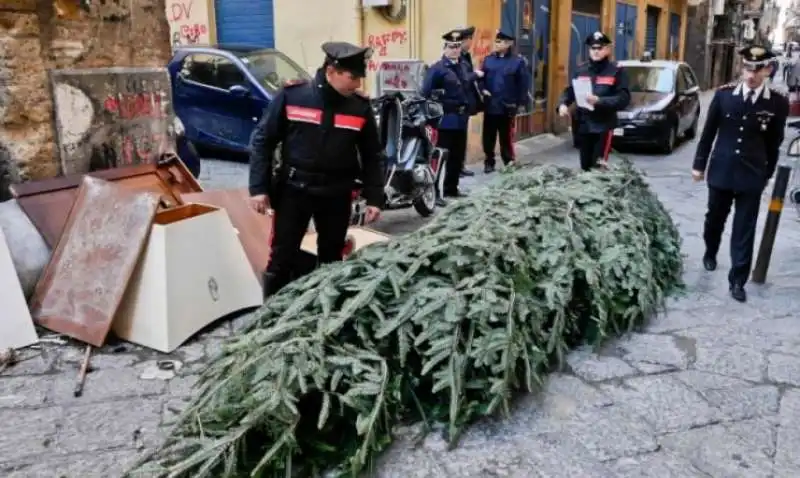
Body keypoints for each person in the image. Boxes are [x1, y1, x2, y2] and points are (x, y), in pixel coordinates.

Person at [249, 41, 385, 298]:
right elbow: (263, 141)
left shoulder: (359, 106)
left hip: (336, 194)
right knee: (282, 255)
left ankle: (324, 312)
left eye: (360, 77)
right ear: (331, 70)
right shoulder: (293, 96)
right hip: (294, 191)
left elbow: (372, 155)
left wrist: (375, 197)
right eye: (352, 77)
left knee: (332, 256)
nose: (357, 84)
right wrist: (258, 188)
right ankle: (270, 315)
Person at [692, 45, 789, 303]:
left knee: (744, 229)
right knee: (714, 219)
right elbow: (708, 134)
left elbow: (774, 143)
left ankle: (737, 280)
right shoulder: (724, 96)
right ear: (741, 67)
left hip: (751, 175)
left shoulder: (777, 103)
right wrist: (699, 165)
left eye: (758, 69)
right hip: (721, 171)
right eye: (747, 68)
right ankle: (710, 250)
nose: (751, 75)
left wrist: (765, 175)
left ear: (768, 69)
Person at [556, 31, 630, 171]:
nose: (596, 51)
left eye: (599, 48)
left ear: (607, 49)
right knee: (585, 166)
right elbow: (570, 91)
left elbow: (623, 99)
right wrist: (563, 104)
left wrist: (599, 101)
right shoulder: (581, 70)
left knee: (598, 167)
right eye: (593, 48)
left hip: (603, 125)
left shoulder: (616, 71)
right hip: (583, 125)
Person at [421, 29, 477, 198]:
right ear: (445, 48)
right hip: (445, 119)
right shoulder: (437, 69)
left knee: (457, 157)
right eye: (451, 47)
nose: (455, 50)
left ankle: (451, 189)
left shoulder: (464, 66)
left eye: (457, 46)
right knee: (439, 158)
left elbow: (468, 88)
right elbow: (425, 93)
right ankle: (435, 193)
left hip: (461, 119)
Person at [479, 29, 530, 173]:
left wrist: (521, 104)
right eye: (496, 41)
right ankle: (489, 161)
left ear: (509, 44)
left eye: (500, 41)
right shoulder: (489, 60)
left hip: (507, 106)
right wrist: (482, 89)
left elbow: (523, 85)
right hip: (490, 105)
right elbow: (481, 79)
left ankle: (508, 161)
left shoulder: (517, 62)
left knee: (506, 137)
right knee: (488, 136)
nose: (497, 44)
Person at [457, 25, 482, 178]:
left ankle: (460, 165)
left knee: (462, 137)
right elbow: (463, 78)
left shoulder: (465, 55)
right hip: (458, 103)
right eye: (469, 39)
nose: (471, 42)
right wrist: (475, 74)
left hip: (465, 103)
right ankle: (456, 166)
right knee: (457, 138)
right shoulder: (458, 57)